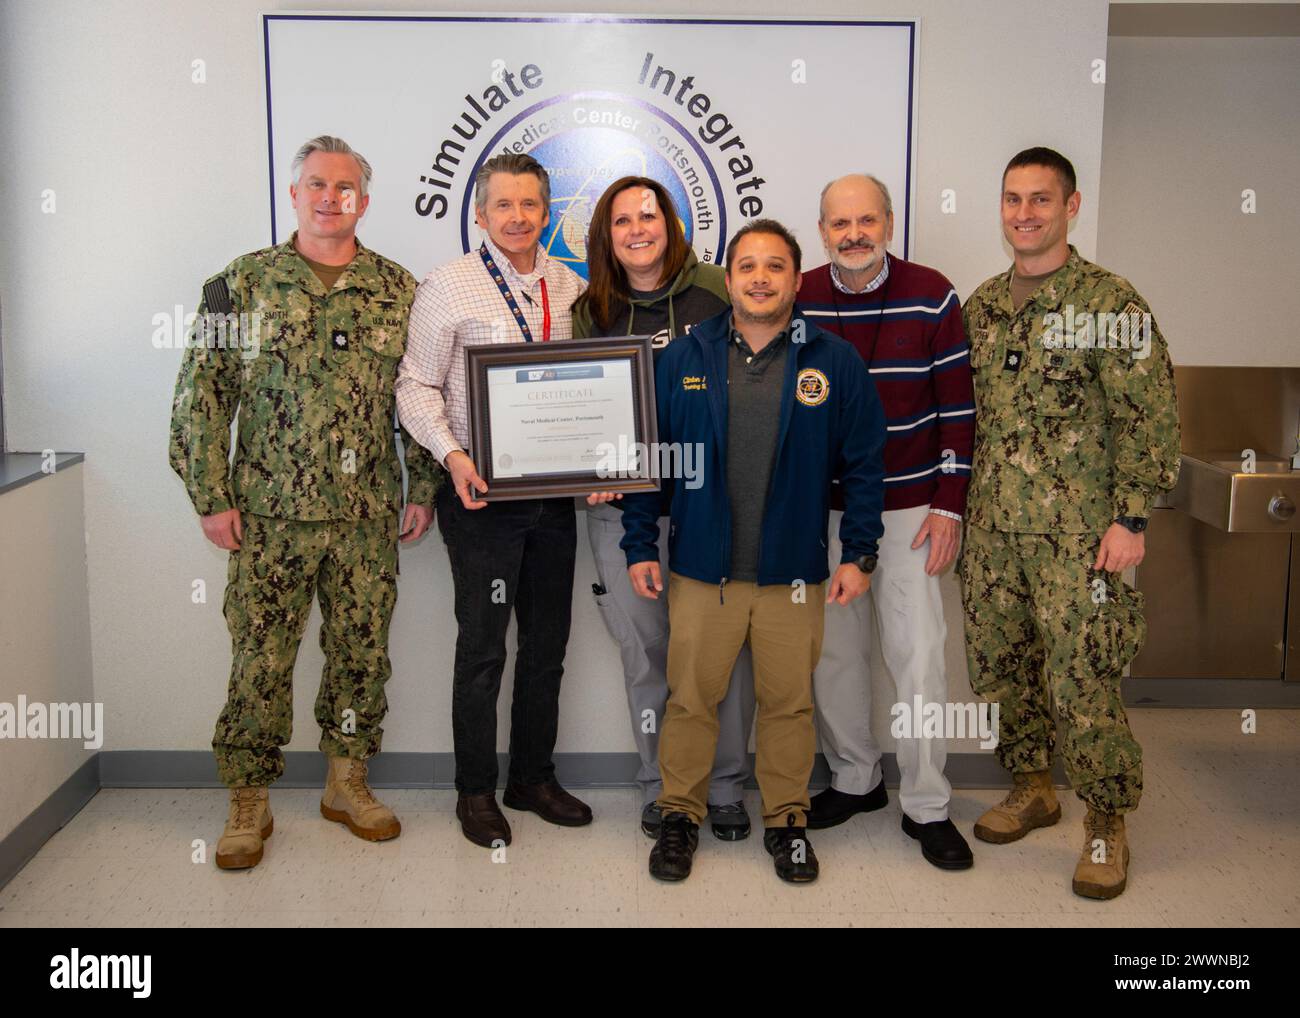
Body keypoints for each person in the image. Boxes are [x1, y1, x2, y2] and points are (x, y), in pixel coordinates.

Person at [169, 135, 441, 870]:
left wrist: (425, 486)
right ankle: (248, 799)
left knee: (360, 654)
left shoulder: (399, 289)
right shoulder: (241, 284)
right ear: (294, 196)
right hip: (267, 515)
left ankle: (346, 782)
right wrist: (210, 496)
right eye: (317, 184)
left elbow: (418, 396)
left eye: (345, 186)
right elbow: (201, 396)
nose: (331, 197)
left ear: (363, 200)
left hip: (364, 515)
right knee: (261, 658)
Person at [622, 219, 886, 884]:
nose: (761, 278)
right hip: (699, 570)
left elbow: (863, 465)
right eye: (747, 266)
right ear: (729, 277)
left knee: (789, 704)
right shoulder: (684, 357)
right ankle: (679, 816)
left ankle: (787, 822)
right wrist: (637, 543)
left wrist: (859, 553)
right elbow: (647, 460)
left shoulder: (833, 360)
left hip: (791, 576)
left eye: (775, 267)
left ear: (797, 280)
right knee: (689, 699)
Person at [960, 147, 1180, 899]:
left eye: (1041, 200)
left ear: (1071, 206)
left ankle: (1106, 824)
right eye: (1013, 199)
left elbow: (1149, 418)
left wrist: (1130, 518)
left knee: (1085, 680)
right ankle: (1034, 787)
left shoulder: (1109, 304)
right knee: (1006, 670)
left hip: (1082, 542)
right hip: (993, 535)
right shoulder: (982, 307)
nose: (1024, 213)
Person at [396, 153, 590, 848]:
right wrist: (453, 456)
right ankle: (474, 790)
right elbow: (415, 385)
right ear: (479, 215)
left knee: (548, 644)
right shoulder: (447, 287)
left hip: (554, 499)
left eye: (529, 205)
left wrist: (602, 456)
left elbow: (589, 389)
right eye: (502, 205)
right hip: (480, 499)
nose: (516, 217)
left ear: (546, 211)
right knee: (483, 650)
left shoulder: (570, 286)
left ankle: (532, 777)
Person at [797, 174, 975, 870]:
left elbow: (959, 408)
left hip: (908, 512)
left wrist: (948, 502)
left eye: (867, 220)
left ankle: (928, 804)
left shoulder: (933, 292)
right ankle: (854, 778)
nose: (854, 235)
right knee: (834, 656)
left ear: (890, 223)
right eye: (840, 224)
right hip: (825, 514)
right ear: (822, 232)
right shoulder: (800, 295)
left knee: (920, 660)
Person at [572, 175, 757, 842]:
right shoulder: (589, 307)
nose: (637, 230)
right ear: (606, 235)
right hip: (624, 512)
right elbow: (580, 406)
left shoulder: (716, 289)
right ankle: (661, 786)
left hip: (713, 503)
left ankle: (728, 785)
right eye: (621, 221)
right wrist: (587, 463)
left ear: (670, 223)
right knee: (647, 650)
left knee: (721, 653)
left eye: (648, 216)